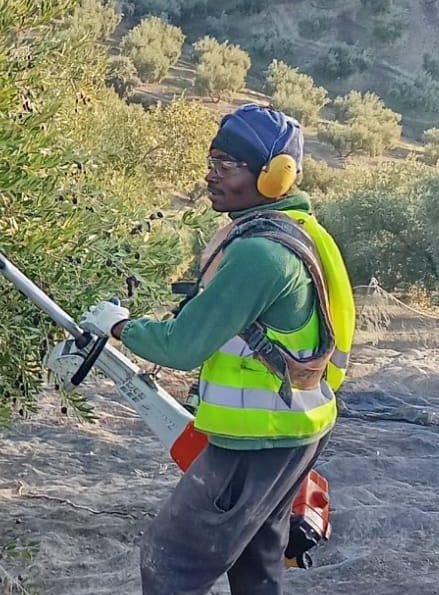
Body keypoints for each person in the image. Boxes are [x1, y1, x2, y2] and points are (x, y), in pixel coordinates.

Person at [78, 104, 355, 595]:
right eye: (212, 161)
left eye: (227, 165)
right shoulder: (294, 232)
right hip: (296, 431)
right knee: (257, 562)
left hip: (257, 440)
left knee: (170, 562)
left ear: (274, 175)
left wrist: (119, 326)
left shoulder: (261, 253)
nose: (211, 175)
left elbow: (183, 345)